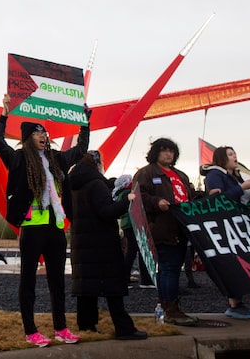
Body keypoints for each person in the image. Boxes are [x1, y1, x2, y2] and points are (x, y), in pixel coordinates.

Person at [0, 94, 88, 348]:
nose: (43, 136)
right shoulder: (19, 158)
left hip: (55, 228)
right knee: (28, 280)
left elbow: (80, 150)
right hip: (32, 228)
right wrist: (4, 114)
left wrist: (84, 124)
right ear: (27, 138)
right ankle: (30, 330)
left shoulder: (56, 159)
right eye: (37, 133)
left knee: (57, 280)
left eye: (44, 132)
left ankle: (61, 328)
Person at [69, 151, 147, 340]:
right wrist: (124, 201)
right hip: (102, 244)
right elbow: (105, 211)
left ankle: (86, 326)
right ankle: (124, 328)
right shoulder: (96, 184)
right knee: (113, 287)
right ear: (97, 164)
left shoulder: (74, 185)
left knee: (87, 287)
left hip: (82, 241)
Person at [133, 137, 197, 326]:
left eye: (171, 151)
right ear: (156, 153)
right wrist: (156, 202)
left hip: (181, 227)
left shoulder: (181, 175)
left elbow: (189, 196)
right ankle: (171, 309)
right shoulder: (146, 173)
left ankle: (165, 305)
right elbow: (138, 196)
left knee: (173, 268)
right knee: (169, 268)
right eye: (164, 150)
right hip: (161, 227)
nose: (169, 154)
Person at [202, 145, 250, 320]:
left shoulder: (231, 176)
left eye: (234, 153)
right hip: (225, 227)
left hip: (235, 225)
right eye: (230, 154)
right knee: (233, 264)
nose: (234, 156)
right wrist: (242, 187)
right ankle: (235, 303)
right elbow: (217, 200)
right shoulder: (215, 175)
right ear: (221, 158)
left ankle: (237, 302)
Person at [113, 174, 155, 289]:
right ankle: (134, 280)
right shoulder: (129, 194)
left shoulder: (121, 194)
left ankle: (132, 279)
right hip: (133, 223)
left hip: (128, 224)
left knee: (133, 251)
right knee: (135, 251)